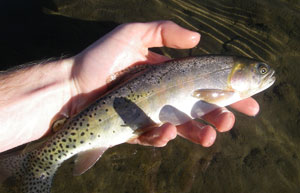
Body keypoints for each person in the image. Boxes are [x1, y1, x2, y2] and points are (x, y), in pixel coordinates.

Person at [0, 21, 259, 153]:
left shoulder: (226, 85)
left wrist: (71, 83)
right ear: (238, 72)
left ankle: (42, 155)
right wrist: (72, 82)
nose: (264, 75)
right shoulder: (226, 83)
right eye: (260, 71)